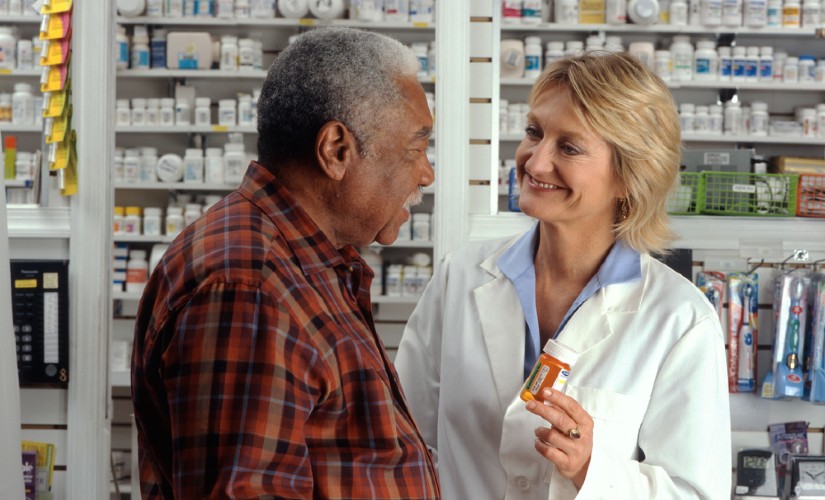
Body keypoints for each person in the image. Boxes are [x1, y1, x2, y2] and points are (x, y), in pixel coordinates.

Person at [395, 51, 731, 499]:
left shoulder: (680, 319)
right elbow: (403, 440)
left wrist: (593, 470)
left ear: (630, 175)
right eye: (534, 132)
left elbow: (695, 493)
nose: (534, 163)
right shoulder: (461, 277)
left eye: (568, 147)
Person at [131, 27, 439, 499]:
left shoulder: (310, 262)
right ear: (337, 150)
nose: (426, 173)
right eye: (416, 149)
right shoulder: (248, 286)